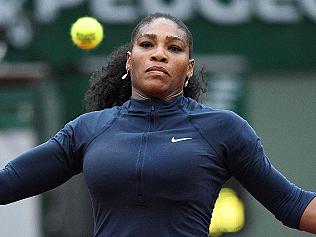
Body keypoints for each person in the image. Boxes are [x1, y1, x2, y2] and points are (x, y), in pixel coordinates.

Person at [1, 13, 316, 237]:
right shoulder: (88, 129)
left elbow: (293, 204)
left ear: (189, 68)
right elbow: (10, 181)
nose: (159, 55)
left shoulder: (224, 129)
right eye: (147, 44)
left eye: (174, 48)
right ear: (129, 60)